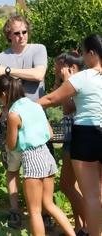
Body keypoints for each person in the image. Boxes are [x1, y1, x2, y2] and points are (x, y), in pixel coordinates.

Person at [0, 14, 51, 228]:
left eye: (24, 31)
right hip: (12, 118)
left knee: (40, 169)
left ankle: (43, 211)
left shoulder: (38, 49)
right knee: (13, 168)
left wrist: (7, 71)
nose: (22, 36)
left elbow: (39, 74)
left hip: (36, 118)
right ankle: (15, 210)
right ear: (9, 35)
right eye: (16, 33)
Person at [0, 74, 75, 236]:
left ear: (2, 94)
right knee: (49, 205)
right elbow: (50, 134)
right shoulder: (36, 105)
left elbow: (11, 144)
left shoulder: (13, 114)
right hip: (47, 157)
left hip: (32, 159)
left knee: (34, 212)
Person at [38, 34, 102, 236]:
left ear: (92, 53)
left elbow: (51, 99)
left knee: (92, 195)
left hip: (86, 135)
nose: (83, 58)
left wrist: (22, 105)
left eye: (84, 53)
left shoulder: (82, 77)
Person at [53, 52, 87, 236]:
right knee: (74, 186)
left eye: (58, 66)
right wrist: (59, 80)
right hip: (72, 136)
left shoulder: (78, 83)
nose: (55, 70)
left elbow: (66, 107)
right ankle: (80, 227)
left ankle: (91, 222)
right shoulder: (75, 81)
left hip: (76, 137)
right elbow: (55, 93)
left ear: (70, 68)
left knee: (67, 185)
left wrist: (65, 81)